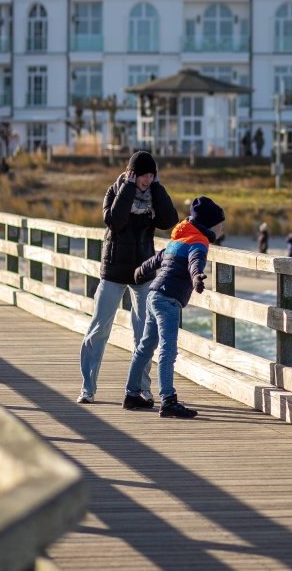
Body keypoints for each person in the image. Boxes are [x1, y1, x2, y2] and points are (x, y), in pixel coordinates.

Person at [77, 152, 178, 406]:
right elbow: (114, 221)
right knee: (98, 329)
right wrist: (129, 188)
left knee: (143, 333)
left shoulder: (154, 193)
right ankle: (87, 388)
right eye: (143, 174)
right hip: (113, 270)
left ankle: (142, 388)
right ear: (131, 172)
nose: (147, 179)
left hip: (143, 270)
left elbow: (169, 220)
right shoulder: (115, 191)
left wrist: (157, 188)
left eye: (151, 175)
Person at [124, 196, 226, 419]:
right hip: (168, 300)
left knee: (145, 347)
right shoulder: (199, 242)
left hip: (154, 294)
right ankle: (168, 400)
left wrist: (141, 270)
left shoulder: (179, 238)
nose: (223, 228)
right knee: (167, 350)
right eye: (221, 224)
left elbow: (159, 258)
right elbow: (195, 262)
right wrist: (197, 277)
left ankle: (132, 394)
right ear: (211, 225)